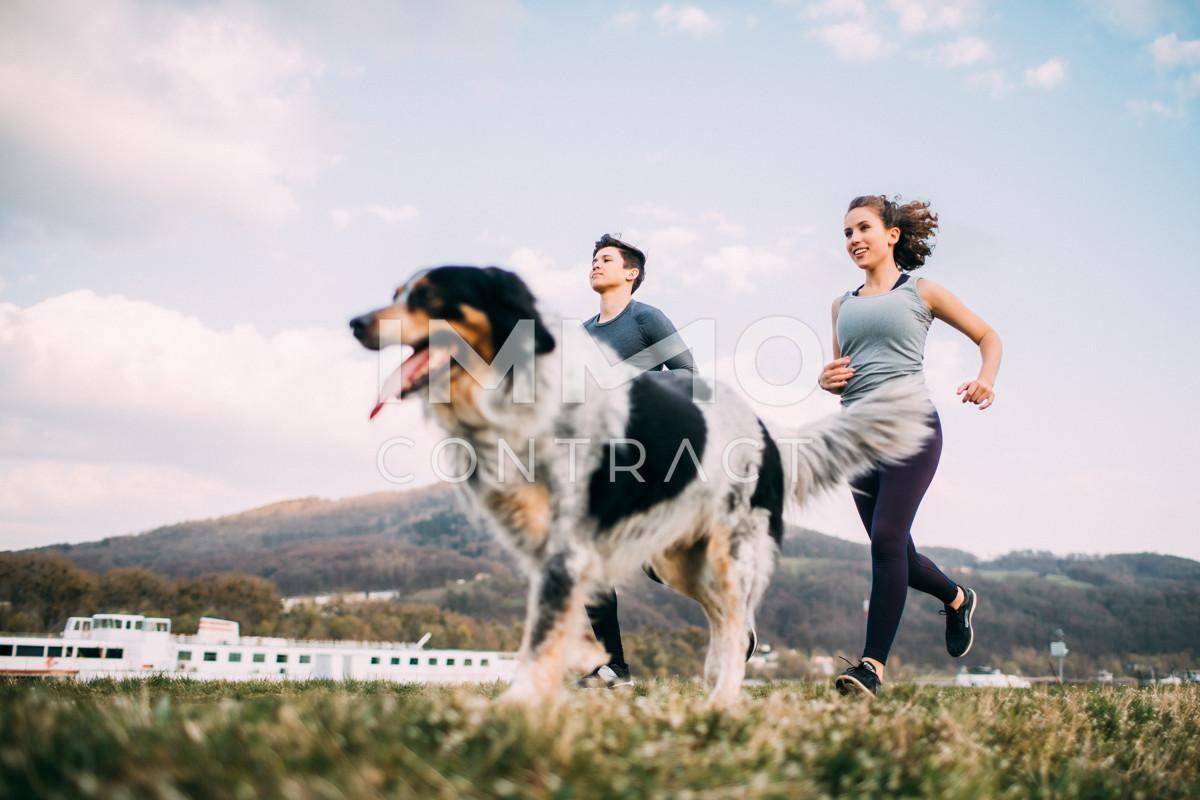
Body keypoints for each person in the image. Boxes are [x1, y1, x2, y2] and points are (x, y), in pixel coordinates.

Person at [820, 195, 1002, 698]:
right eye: (847, 234)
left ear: (891, 234)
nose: (854, 240)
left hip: (911, 427)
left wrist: (986, 379)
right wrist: (826, 379)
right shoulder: (841, 305)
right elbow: (840, 375)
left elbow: (989, 336)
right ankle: (957, 597)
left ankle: (871, 667)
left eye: (863, 229)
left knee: (885, 541)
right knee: (895, 547)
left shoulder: (920, 291)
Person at [577, 233, 697, 689]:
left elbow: (688, 375)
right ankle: (614, 666)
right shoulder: (585, 333)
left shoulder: (646, 319)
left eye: (605, 259)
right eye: (593, 259)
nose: (595, 264)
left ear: (631, 273)